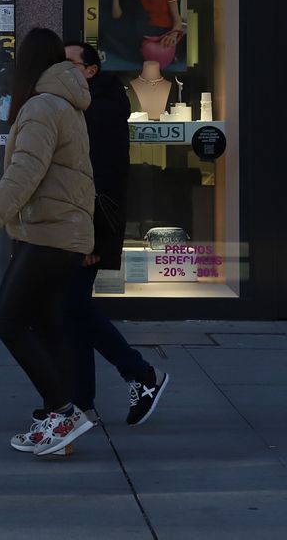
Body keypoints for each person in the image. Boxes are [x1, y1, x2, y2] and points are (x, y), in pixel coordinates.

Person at [0, 28, 98, 459]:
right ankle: (57, 422)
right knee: (46, 323)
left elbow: (23, 175)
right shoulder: (66, 103)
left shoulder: (42, 107)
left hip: (49, 234)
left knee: (8, 320)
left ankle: (63, 412)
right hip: (64, 233)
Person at [62, 42, 169, 430]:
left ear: (89, 71)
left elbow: (99, 179)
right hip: (82, 224)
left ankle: (140, 374)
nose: (61, 68)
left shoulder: (98, 111)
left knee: (72, 307)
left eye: (68, 62)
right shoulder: (88, 105)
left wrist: (89, 238)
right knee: (71, 310)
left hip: (90, 225)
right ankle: (83, 403)